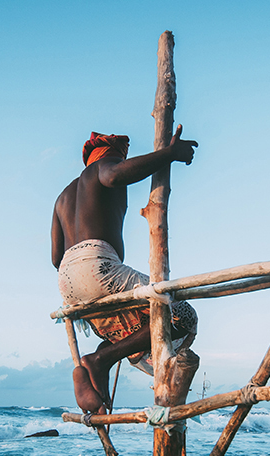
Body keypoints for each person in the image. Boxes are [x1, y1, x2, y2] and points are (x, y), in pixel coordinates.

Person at [52, 126, 198, 415]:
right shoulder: (100, 169)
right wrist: (168, 154)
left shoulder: (63, 197)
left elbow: (56, 256)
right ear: (110, 156)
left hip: (67, 280)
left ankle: (100, 388)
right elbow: (114, 175)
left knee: (129, 323)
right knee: (184, 315)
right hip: (98, 265)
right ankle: (102, 359)